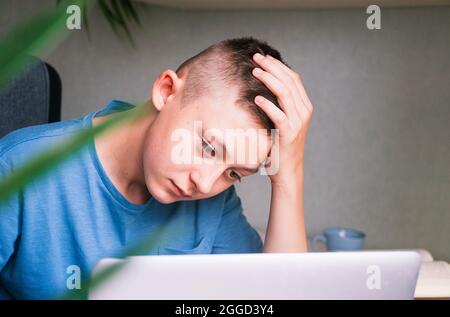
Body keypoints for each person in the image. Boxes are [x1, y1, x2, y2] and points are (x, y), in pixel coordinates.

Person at [0, 37, 313, 299]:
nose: (204, 184)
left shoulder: (215, 203)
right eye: (207, 147)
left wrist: (288, 176)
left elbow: (275, 297)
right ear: (166, 91)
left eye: (233, 173)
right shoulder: (19, 166)